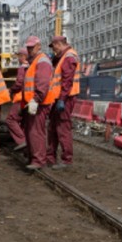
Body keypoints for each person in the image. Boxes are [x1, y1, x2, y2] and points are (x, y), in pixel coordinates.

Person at [46, 35, 80, 170]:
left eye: (53, 46)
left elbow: (67, 81)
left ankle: (66, 160)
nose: (53, 49)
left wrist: (62, 99)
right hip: (59, 98)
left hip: (65, 98)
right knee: (52, 127)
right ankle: (50, 157)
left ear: (59, 44)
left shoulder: (69, 57)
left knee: (62, 128)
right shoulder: (64, 57)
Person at [23, 36, 54, 170]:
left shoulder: (41, 61)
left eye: (32, 47)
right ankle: (35, 158)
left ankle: (39, 160)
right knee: (33, 130)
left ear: (39, 46)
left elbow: (42, 83)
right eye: (28, 47)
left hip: (40, 102)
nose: (29, 50)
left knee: (36, 131)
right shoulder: (35, 61)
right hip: (35, 102)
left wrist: (36, 99)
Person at [6, 48, 29, 151]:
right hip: (29, 99)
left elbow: (19, 83)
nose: (18, 58)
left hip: (20, 98)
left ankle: (22, 141)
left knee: (10, 119)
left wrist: (11, 90)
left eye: (19, 56)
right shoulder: (32, 66)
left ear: (23, 56)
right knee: (24, 122)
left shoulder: (22, 68)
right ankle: (28, 147)